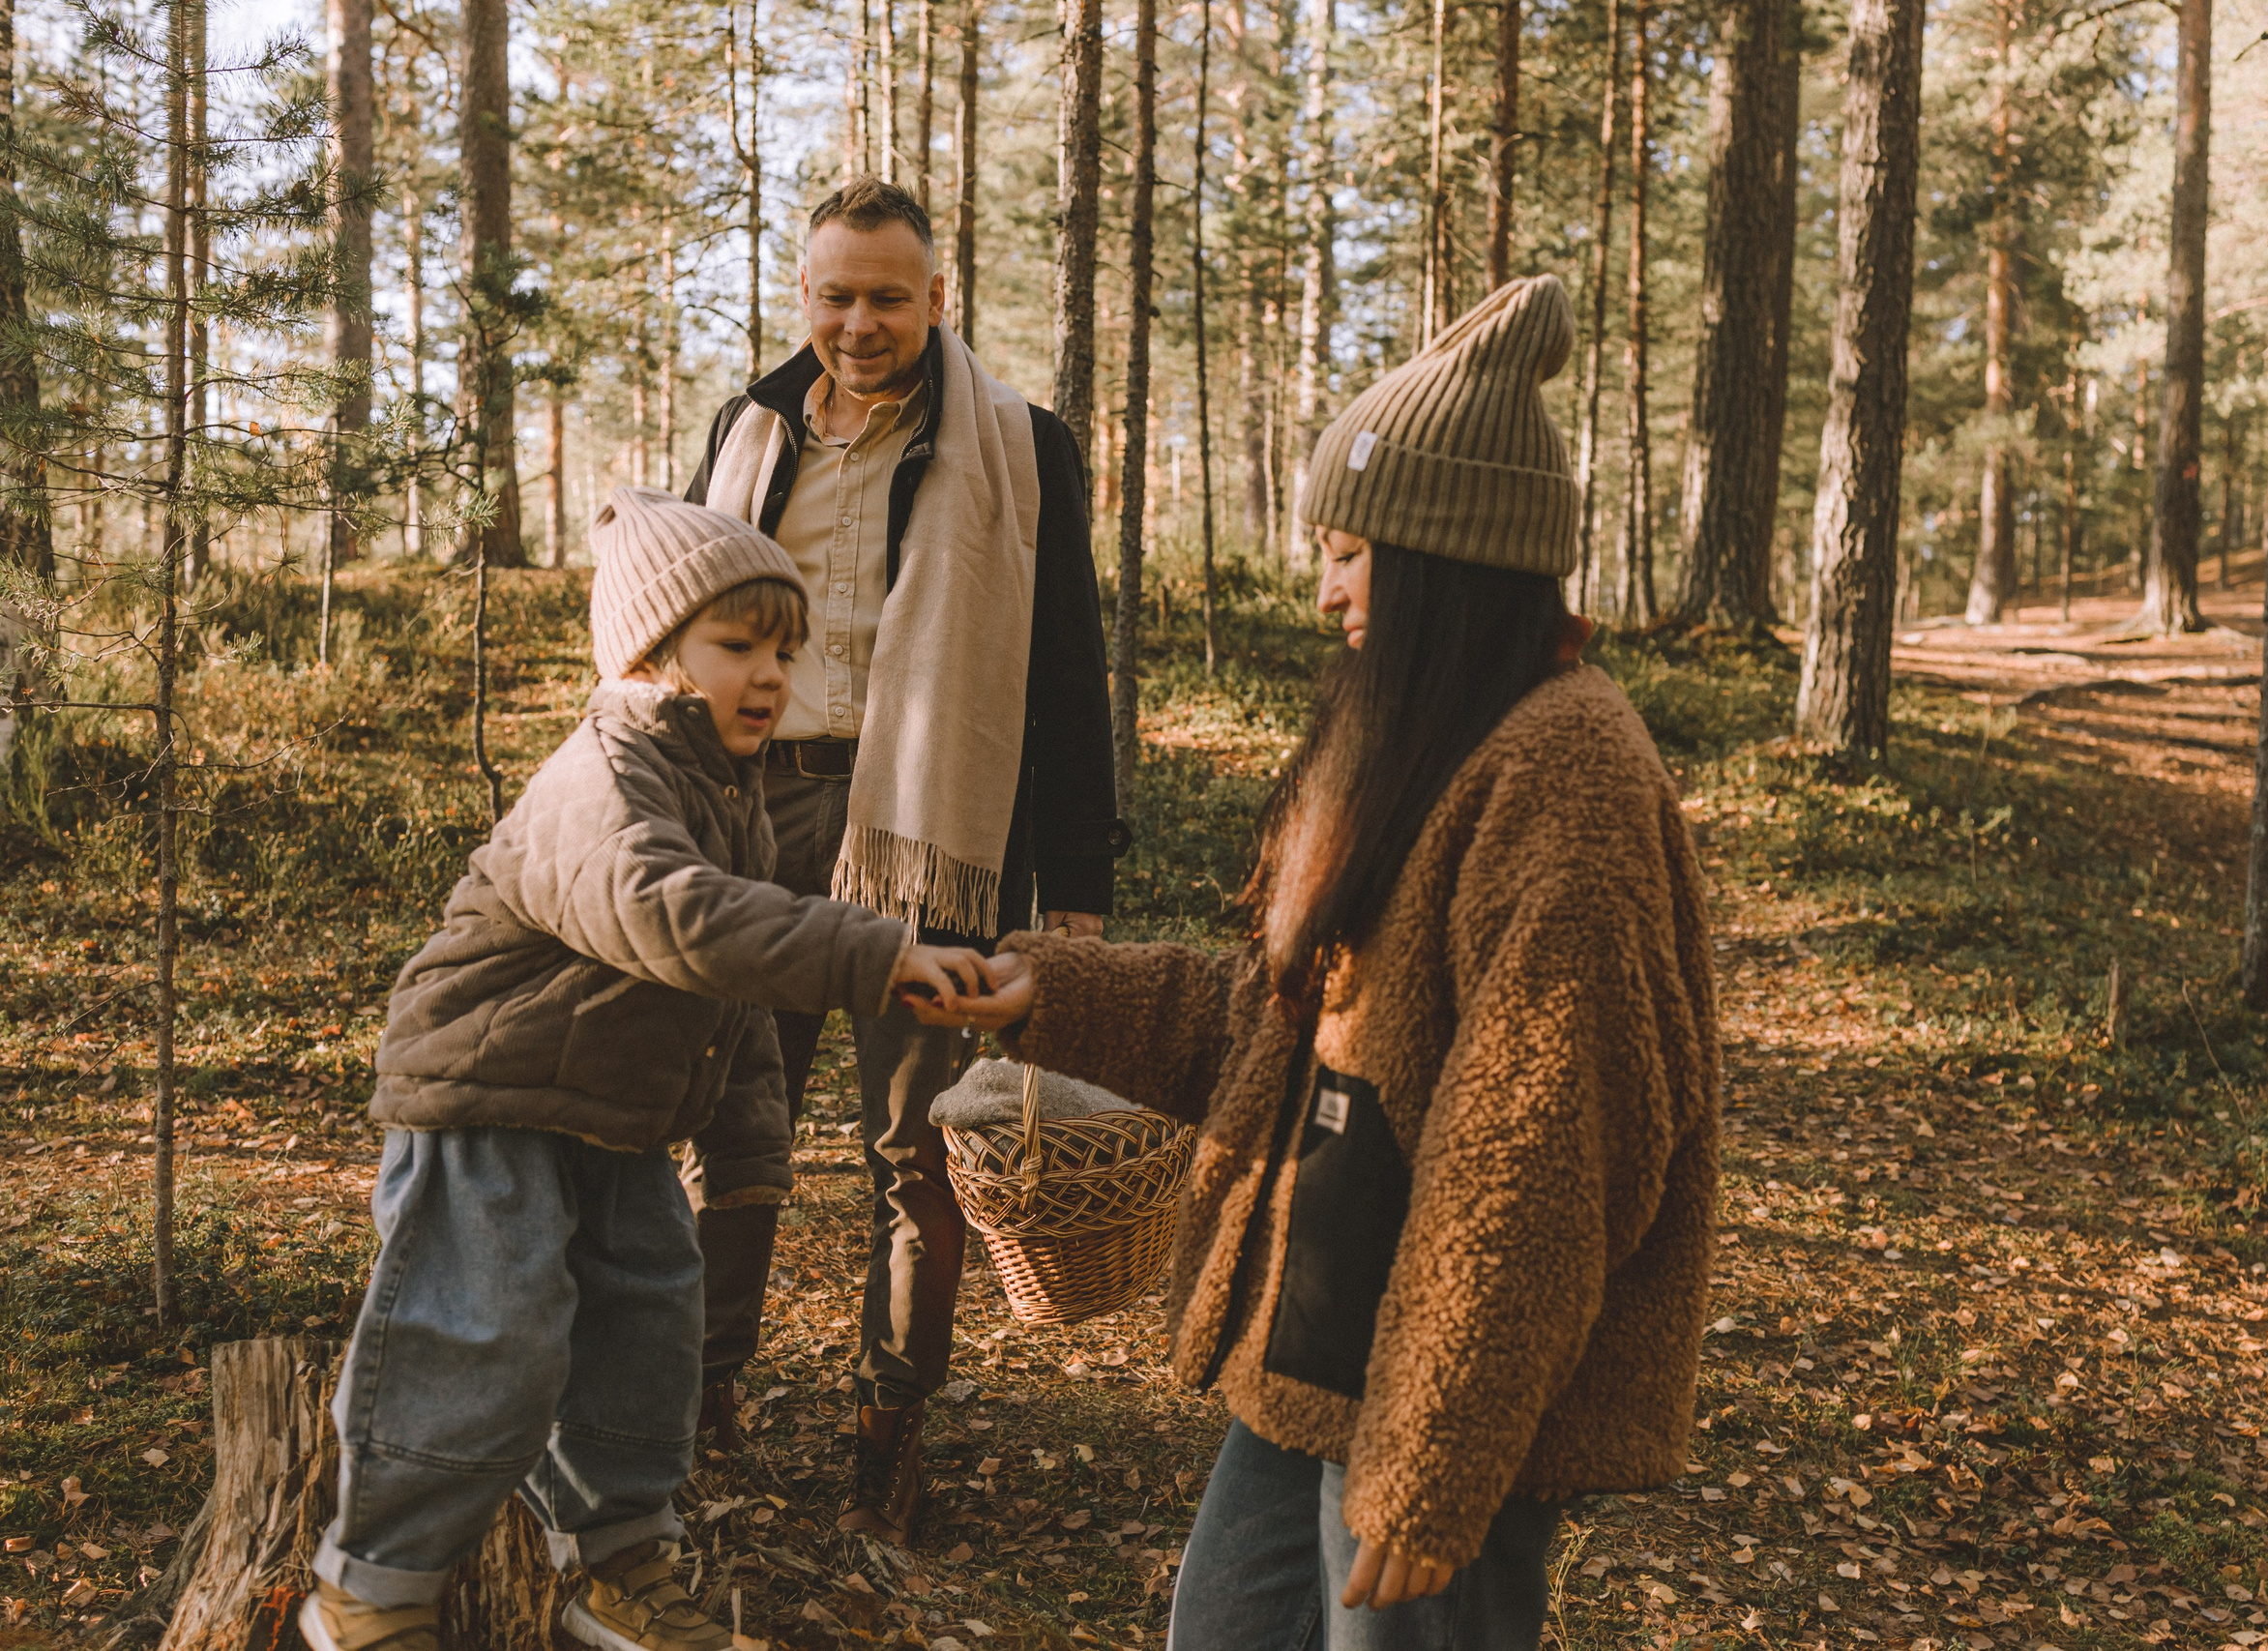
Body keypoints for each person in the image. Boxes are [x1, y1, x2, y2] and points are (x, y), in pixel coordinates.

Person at [921, 276, 1721, 1649]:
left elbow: (1536, 1158)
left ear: (1445, 562)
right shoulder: (1421, 738)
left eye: (1354, 553)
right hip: (1318, 1341)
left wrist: (1433, 1457)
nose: (1326, 588)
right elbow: (1287, 1023)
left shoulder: (1565, 769)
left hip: (1439, 1389)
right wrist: (1053, 989)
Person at [300, 488, 990, 1651]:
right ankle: (373, 1583)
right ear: (644, 657)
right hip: (492, 1104)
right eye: (735, 646)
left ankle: (617, 1564)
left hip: (617, 1122)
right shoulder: (603, 779)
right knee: (482, 1335)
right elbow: (680, 921)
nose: (770, 676)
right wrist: (875, 952)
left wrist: (752, 1159)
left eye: (785, 650)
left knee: (649, 1334)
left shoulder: (732, 806)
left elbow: (736, 1003)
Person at [681, 176, 1122, 1544]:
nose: (859, 322)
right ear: (802, 296)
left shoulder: (1019, 444)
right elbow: (682, 632)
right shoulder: (746, 431)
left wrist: (1078, 894)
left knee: (916, 1141)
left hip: (934, 826)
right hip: (757, 816)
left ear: (939, 297)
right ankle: (701, 1394)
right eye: (836, 295)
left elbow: (1065, 676)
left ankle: (889, 1433)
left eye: (886, 295)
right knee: (729, 1116)